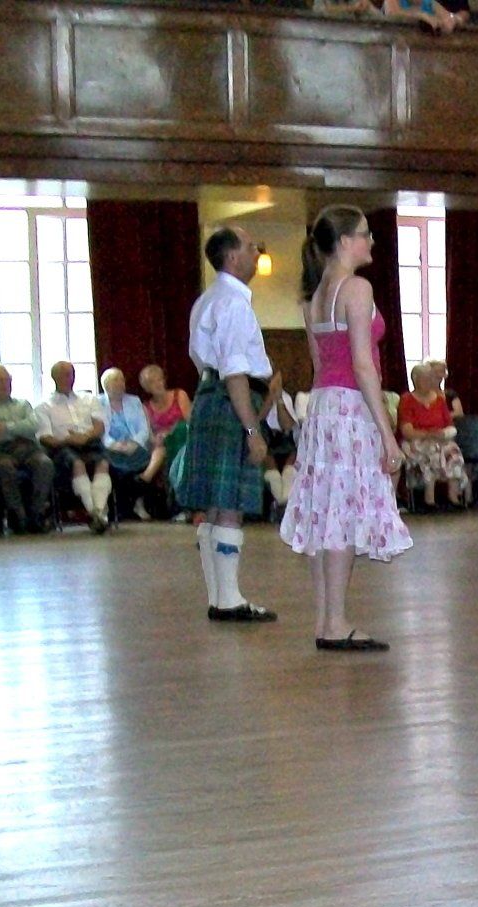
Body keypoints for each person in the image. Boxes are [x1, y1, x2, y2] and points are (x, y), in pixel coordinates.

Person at [280, 204, 412, 650]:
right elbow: (362, 364)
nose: (371, 240)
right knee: (341, 512)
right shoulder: (356, 288)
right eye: (364, 233)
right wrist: (387, 433)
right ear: (343, 242)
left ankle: (326, 620)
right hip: (350, 407)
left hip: (323, 406)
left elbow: (320, 364)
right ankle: (335, 622)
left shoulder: (314, 296)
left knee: (326, 510)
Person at [180, 225, 279, 621]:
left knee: (215, 506)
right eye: (252, 247)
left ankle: (220, 599)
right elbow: (235, 371)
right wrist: (253, 429)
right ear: (233, 257)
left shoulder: (206, 300)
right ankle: (230, 599)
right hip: (230, 400)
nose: (257, 253)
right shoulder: (234, 303)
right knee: (230, 505)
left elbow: (202, 362)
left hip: (209, 399)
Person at [0, 366, 56, 534]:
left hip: (27, 447)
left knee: (45, 464)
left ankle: (36, 514)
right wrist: (19, 427)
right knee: (5, 466)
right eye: (0, 381)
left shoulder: (23, 404)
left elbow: (33, 426)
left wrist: (5, 427)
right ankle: (18, 516)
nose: (5, 384)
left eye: (8, 380)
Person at [38, 361, 113, 533]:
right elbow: (45, 437)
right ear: (54, 378)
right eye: (63, 375)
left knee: (103, 463)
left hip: (89, 441)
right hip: (62, 447)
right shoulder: (44, 406)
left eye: (70, 374)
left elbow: (99, 427)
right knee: (77, 464)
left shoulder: (89, 399)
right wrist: (69, 440)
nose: (68, 378)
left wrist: (85, 437)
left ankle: (99, 512)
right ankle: (95, 513)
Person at [398, 362, 470, 510]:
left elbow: (450, 425)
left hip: (439, 440)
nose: (430, 382)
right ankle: (429, 500)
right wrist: (429, 434)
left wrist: (442, 434)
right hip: (416, 441)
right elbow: (407, 432)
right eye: (426, 379)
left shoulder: (439, 400)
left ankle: (453, 497)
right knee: (431, 452)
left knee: (453, 452)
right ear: (415, 380)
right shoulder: (406, 400)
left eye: (431, 378)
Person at [96, 368, 161, 520]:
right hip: (111, 447)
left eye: (122, 379)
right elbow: (100, 430)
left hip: (134, 445)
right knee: (110, 463)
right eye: (116, 380)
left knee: (145, 459)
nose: (121, 383)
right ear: (106, 385)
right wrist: (114, 445)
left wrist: (134, 443)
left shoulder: (134, 401)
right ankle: (120, 508)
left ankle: (138, 503)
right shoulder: (98, 403)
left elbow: (143, 428)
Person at [137, 365, 192, 497]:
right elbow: (148, 435)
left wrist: (171, 431)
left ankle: (146, 477)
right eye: (152, 382)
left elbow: (190, 423)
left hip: (184, 439)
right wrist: (156, 438)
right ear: (146, 388)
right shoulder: (145, 407)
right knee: (161, 446)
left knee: (178, 430)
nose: (157, 384)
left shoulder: (179, 395)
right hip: (162, 444)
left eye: (159, 379)